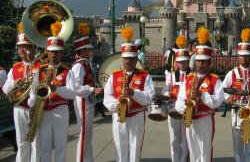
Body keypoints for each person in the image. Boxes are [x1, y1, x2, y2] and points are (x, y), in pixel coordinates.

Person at [103, 26, 155, 162]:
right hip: (119, 116)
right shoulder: (114, 76)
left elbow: (149, 97)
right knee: (120, 149)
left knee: (135, 149)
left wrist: (134, 93)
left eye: (131, 58)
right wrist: (116, 105)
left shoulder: (144, 76)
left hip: (137, 116)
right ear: (122, 58)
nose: (128, 61)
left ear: (136, 58)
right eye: (125, 58)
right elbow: (107, 97)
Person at [28, 22, 75, 162]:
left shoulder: (68, 71)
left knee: (61, 146)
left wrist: (55, 88)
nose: (53, 54)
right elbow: (33, 89)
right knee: (45, 147)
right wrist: (32, 102)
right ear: (47, 52)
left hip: (61, 110)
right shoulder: (40, 70)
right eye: (51, 51)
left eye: (56, 51)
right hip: (43, 110)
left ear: (62, 53)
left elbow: (72, 93)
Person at [175, 27, 224, 162]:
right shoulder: (189, 79)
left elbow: (218, 101)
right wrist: (185, 106)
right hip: (190, 119)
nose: (200, 64)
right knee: (193, 151)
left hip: (205, 119)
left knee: (205, 151)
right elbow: (178, 101)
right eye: (198, 60)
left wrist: (202, 96)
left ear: (209, 62)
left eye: (203, 61)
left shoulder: (215, 80)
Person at [2, 27, 41, 162]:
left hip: (35, 108)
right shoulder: (15, 67)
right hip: (19, 107)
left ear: (32, 47)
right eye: (19, 47)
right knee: (21, 142)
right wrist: (14, 84)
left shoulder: (40, 66)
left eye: (25, 47)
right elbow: (6, 89)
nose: (21, 50)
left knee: (36, 143)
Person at [222, 28, 250, 162]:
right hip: (236, 110)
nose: (244, 57)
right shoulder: (232, 73)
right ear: (238, 56)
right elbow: (223, 89)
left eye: (246, 55)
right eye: (241, 55)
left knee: (249, 140)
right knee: (237, 142)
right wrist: (228, 98)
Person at [72, 23, 103, 162]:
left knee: (88, 135)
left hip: (87, 101)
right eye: (89, 50)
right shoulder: (79, 66)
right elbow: (76, 88)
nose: (91, 52)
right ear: (83, 50)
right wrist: (92, 89)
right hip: (83, 101)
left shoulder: (85, 64)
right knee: (84, 135)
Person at [162, 35, 190, 162]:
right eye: (180, 61)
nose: (182, 64)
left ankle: (184, 159)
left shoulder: (192, 75)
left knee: (185, 139)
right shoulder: (171, 76)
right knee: (174, 139)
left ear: (188, 61)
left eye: (185, 61)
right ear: (176, 62)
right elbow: (165, 90)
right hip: (172, 110)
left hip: (186, 111)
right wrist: (166, 93)